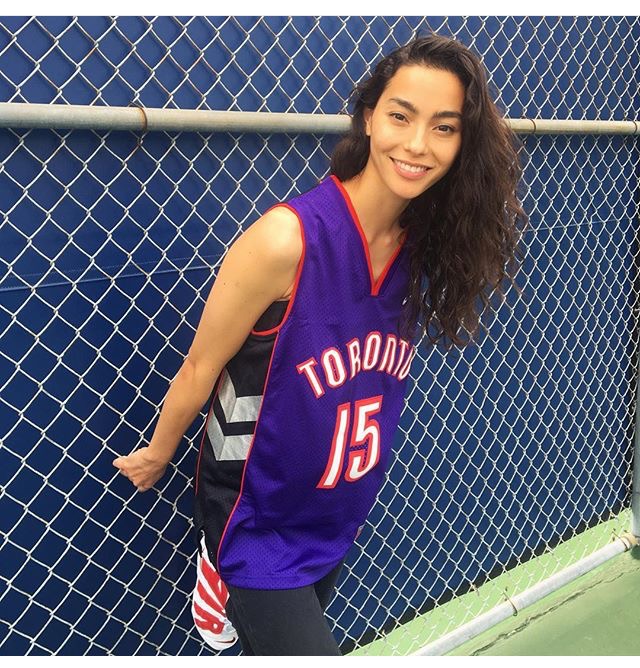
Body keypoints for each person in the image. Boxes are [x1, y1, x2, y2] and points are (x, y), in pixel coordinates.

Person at [112, 33, 527, 656]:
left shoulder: (422, 243)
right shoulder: (287, 239)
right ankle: (221, 566)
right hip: (257, 516)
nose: (418, 144)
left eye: (444, 127)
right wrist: (158, 453)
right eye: (401, 116)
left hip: (337, 512)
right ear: (369, 117)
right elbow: (202, 363)